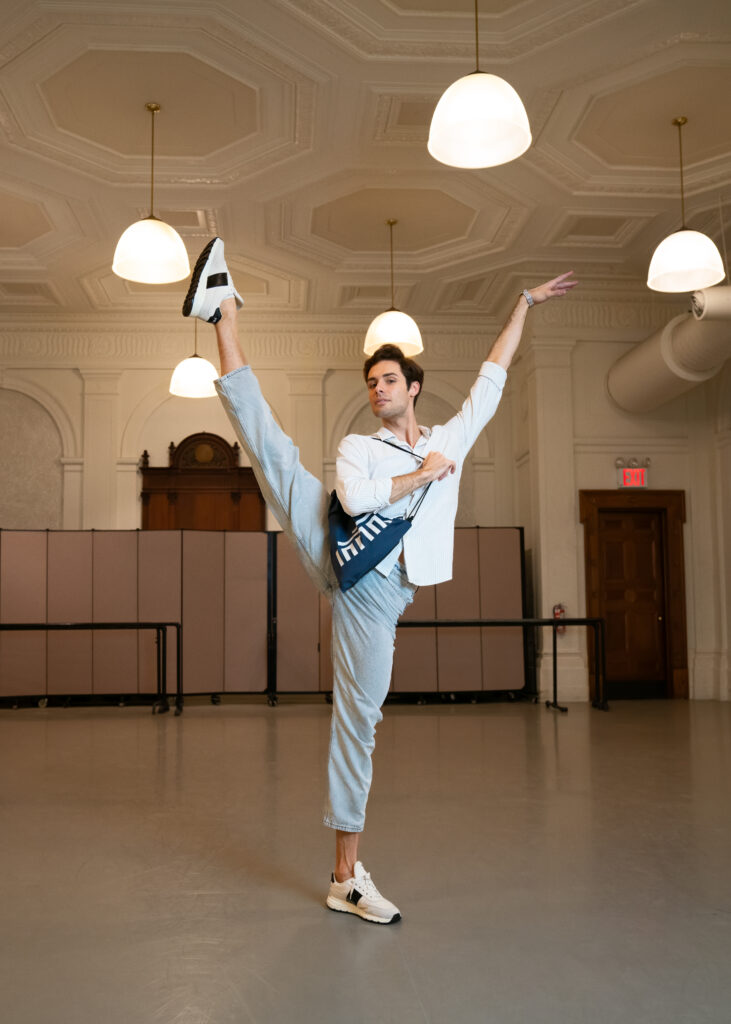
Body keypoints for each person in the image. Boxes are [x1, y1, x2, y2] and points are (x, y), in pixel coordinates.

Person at [183, 237, 577, 925]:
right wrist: (419, 475)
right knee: (271, 449)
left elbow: (492, 376)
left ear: (413, 387)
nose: (377, 390)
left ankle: (343, 873)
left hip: (379, 592)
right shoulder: (358, 446)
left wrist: (522, 305)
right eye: (371, 383)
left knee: (358, 721)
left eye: (388, 381)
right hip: (332, 536)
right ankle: (222, 313)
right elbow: (360, 502)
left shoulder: (447, 438)